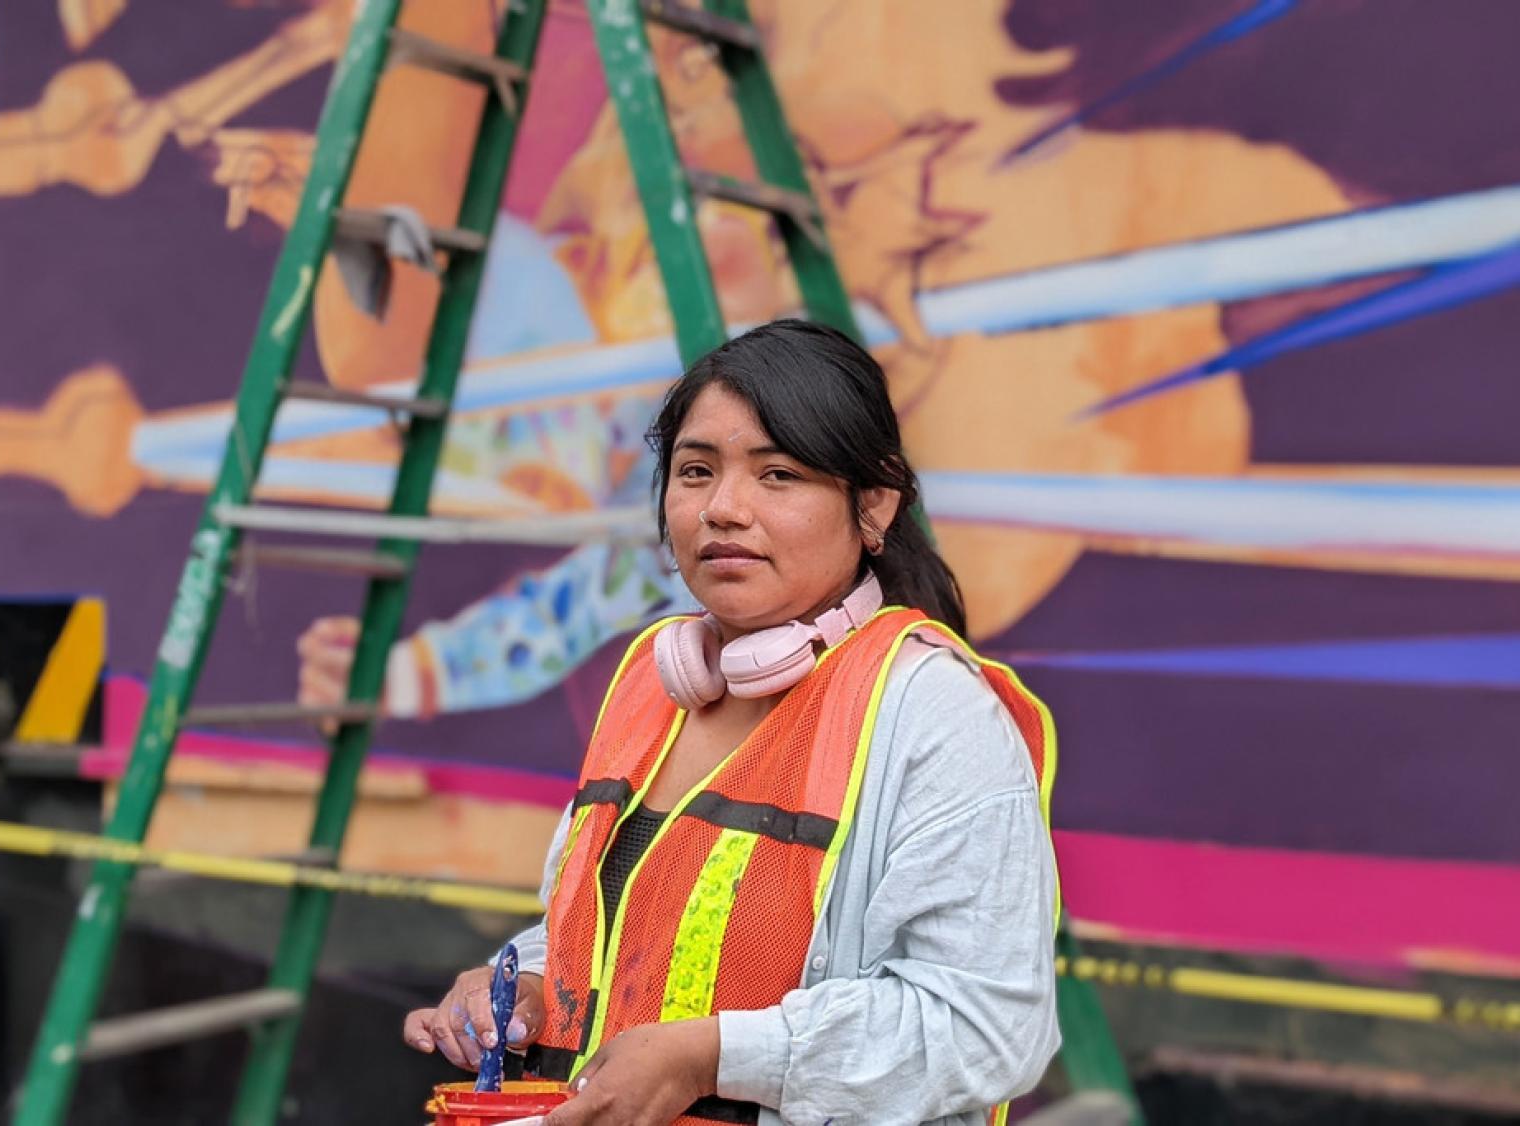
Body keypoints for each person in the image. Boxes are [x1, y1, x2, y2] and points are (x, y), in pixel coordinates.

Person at [303, 320, 1061, 1124]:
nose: (723, 509)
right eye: (696, 471)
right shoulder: (651, 685)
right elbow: (617, 940)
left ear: (873, 506)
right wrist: (519, 987)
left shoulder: (933, 714)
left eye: (778, 475)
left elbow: (988, 1029)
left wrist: (714, 1057)